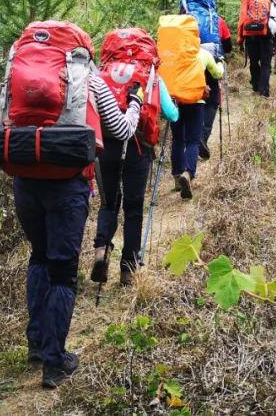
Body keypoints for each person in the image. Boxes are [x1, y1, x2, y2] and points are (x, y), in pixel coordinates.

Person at [16, 66, 143, 389]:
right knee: (63, 271)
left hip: (25, 182)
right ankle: (55, 362)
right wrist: (136, 104)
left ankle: (36, 343)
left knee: (39, 257)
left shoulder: (23, 73)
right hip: (66, 186)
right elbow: (121, 130)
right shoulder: (89, 78)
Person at [92, 75, 178, 287]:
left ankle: (101, 250)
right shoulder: (152, 76)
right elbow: (170, 114)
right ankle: (128, 270)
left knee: (108, 203)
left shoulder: (104, 73)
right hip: (137, 146)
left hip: (106, 144)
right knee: (133, 208)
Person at [171, 45, 223, 199]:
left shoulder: (173, 53)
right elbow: (217, 73)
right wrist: (220, 63)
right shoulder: (203, 54)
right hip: (196, 100)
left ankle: (176, 177)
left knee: (177, 139)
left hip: (176, 100)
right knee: (193, 141)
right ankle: (188, 173)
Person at [200, 15, 233, 160]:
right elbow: (228, 46)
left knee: (191, 97)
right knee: (212, 101)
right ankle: (201, 137)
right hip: (211, 61)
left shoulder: (184, 20)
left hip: (186, 65)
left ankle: (188, 140)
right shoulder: (218, 20)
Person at [243, 0, 275, 97]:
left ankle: (256, 85)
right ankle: (264, 90)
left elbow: (242, 20)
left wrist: (241, 39)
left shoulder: (248, 0)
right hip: (266, 37)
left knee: (254, 62)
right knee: (266, 64)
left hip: (250, 38)